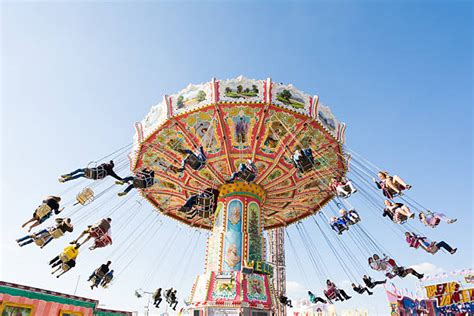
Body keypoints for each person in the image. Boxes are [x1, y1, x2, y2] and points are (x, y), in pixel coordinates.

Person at [59, 160, 124, 183]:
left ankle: (68, 176)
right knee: (80, 174)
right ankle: (66, 178)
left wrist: (123, 180)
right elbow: (117, 177)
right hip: (93, 175)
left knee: (80, 171)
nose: (108, 164)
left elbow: (116, 177)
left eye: (109, 164)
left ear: (110, 166)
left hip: (93, 173)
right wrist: (124, 180)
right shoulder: (109, 170)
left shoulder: (109, 170)